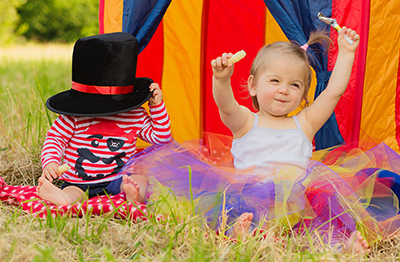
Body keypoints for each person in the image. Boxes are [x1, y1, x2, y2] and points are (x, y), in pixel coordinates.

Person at [210, 27, 369, 253]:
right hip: (252, 202)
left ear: (303, 95)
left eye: (294, 85)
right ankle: (242, 234)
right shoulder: (246, 122)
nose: (284, 90)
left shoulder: (305, 124)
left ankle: (342, 246)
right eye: (275, 80)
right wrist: (221, 79)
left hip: (296, 208)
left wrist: (346, 53)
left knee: (316, 228)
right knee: (241, 215)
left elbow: (333, 92)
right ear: (253, 86)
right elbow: (225, 106)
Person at [36, 32, 172, 206]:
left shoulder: (134, 115)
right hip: (79, 182)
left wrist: (156, 107)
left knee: (138, 179)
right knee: (73, 193)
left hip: (118, 178)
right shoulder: (73, 117)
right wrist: (51, 161)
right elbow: (55, 139)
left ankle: (135, 195)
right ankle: (64, 198)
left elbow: (161, 137)